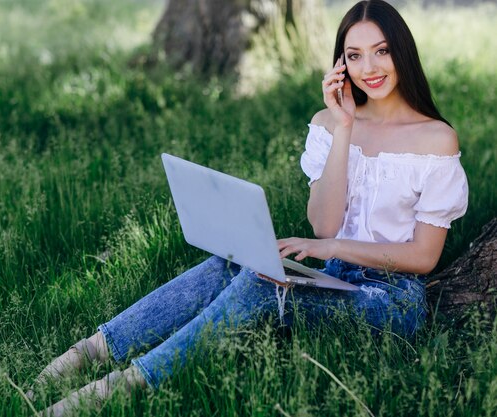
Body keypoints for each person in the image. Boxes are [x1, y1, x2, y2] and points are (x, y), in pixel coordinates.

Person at [29, 1, 468, 415]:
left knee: (262, 284)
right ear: (341, 65)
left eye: (382, 51)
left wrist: (332, 247)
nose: (369, 68)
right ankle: (90, 352)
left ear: (401, 52)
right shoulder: (330, 122)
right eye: (354, 56)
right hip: (334, 275)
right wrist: (345, 128)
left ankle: (126, 385)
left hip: (390, 299)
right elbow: (324, 221)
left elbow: (423, 258)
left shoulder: (434, 139)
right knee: (233, 264)